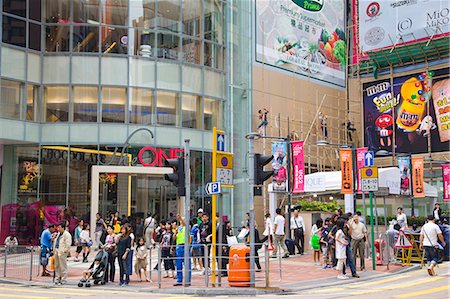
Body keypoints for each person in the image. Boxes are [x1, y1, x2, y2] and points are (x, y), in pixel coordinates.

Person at [174, 214, 191, 286]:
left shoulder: (187, 227)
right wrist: (175, 234)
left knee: (187, 264)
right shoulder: (178, 228)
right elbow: (175, 237)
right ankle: (179, 280)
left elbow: (185, 224)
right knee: (178, 264)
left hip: (185, 246)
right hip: (179, 246)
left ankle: (188, 280)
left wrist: (180, 218)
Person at [53, 221, 72, 286]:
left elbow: (68, 245)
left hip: (62, 252)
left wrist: (64, 251)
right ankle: (57, 279)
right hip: (57, 251)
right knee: (57, 266)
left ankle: (63, 279)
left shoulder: (67, 235)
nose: (58, 229)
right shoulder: (58, 234)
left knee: (63, 266)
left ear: (63, 228)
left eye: (59, 227)